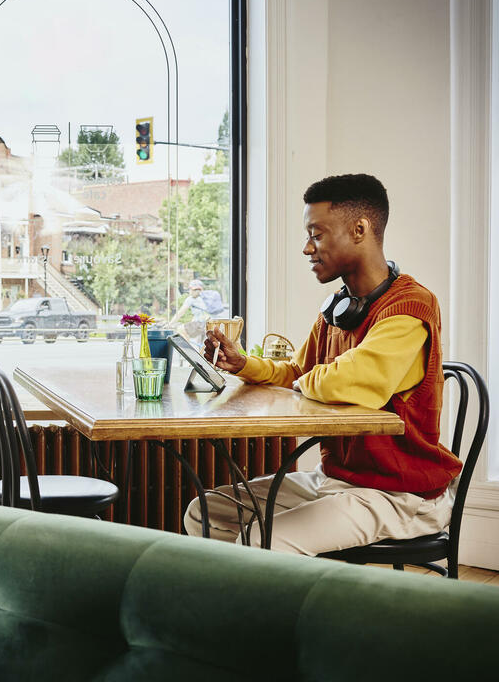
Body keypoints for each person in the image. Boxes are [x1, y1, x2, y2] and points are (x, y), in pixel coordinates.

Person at [184, 173, 461, 554]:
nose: (306, 248)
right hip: (335, 479)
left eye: (316, 233)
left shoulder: (409, 307)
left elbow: (353, 381)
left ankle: (280, 607)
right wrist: (244, 363)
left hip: (400, 494)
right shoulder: (339, 306)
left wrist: (305, 381)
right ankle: (250, 604)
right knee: (204, 512)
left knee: (260, 540)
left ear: (359, 229)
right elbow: (301, 373)